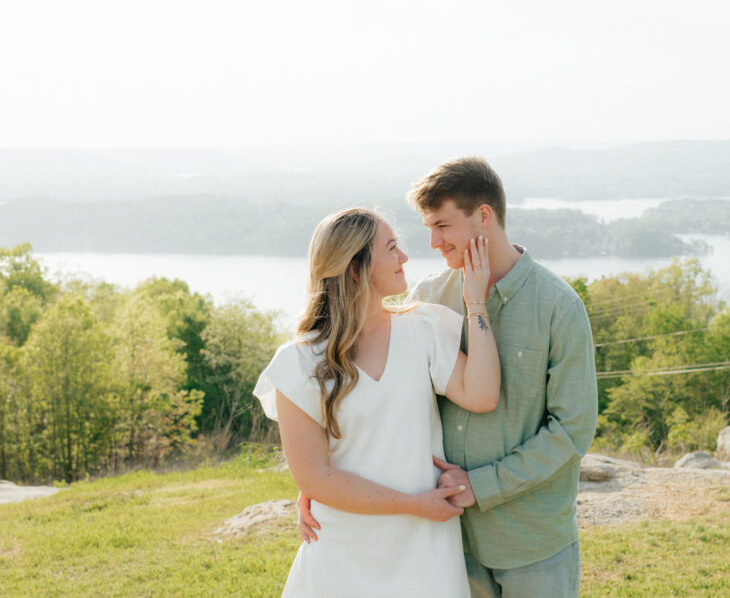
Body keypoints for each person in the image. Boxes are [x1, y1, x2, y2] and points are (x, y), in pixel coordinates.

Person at [300, 157, 598, 597]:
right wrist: (321, 483)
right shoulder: (427, 298)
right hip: (444, 541)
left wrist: (481, 485)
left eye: (442, 226)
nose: (434, 242)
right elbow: (375, 395)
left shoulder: (558, 307)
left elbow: (573, 430)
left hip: (530, 540)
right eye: (428, 228)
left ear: (483, 216)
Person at [253, 207, 501, 597]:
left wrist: (476, 304)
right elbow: (314, 477)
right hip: (341, 556)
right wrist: (414, 504)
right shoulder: (298, 362)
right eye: (391, 249)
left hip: (425, 552)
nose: (404, 257)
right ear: (356, 268)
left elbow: (483, 395)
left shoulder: (424, 329)